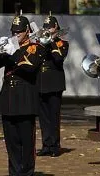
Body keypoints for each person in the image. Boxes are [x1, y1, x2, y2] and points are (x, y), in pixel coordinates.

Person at [0, 15, 43, 176]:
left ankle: (27, 175)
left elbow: (30, 67)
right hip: (9, 98)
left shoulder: (36, 48)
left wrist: (15, 52)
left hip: (25, 98)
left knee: (26, 141)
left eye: (19, 31)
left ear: (27, 31)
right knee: (11, 141)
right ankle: (14, 175)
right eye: (14, 31)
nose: (16, 34)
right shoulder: (10, 47)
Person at [36, 13, 68, 158]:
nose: (47, 30)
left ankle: (55, 146)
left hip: (54, 83)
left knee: (53, 116)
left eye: (50, 27)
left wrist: (51, 42)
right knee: (43, 117)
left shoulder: (62, 43)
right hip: (40, 82)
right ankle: (46, 145)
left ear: (56, 27)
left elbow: (58, 59)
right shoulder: (40, 43)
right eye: (45, 27)